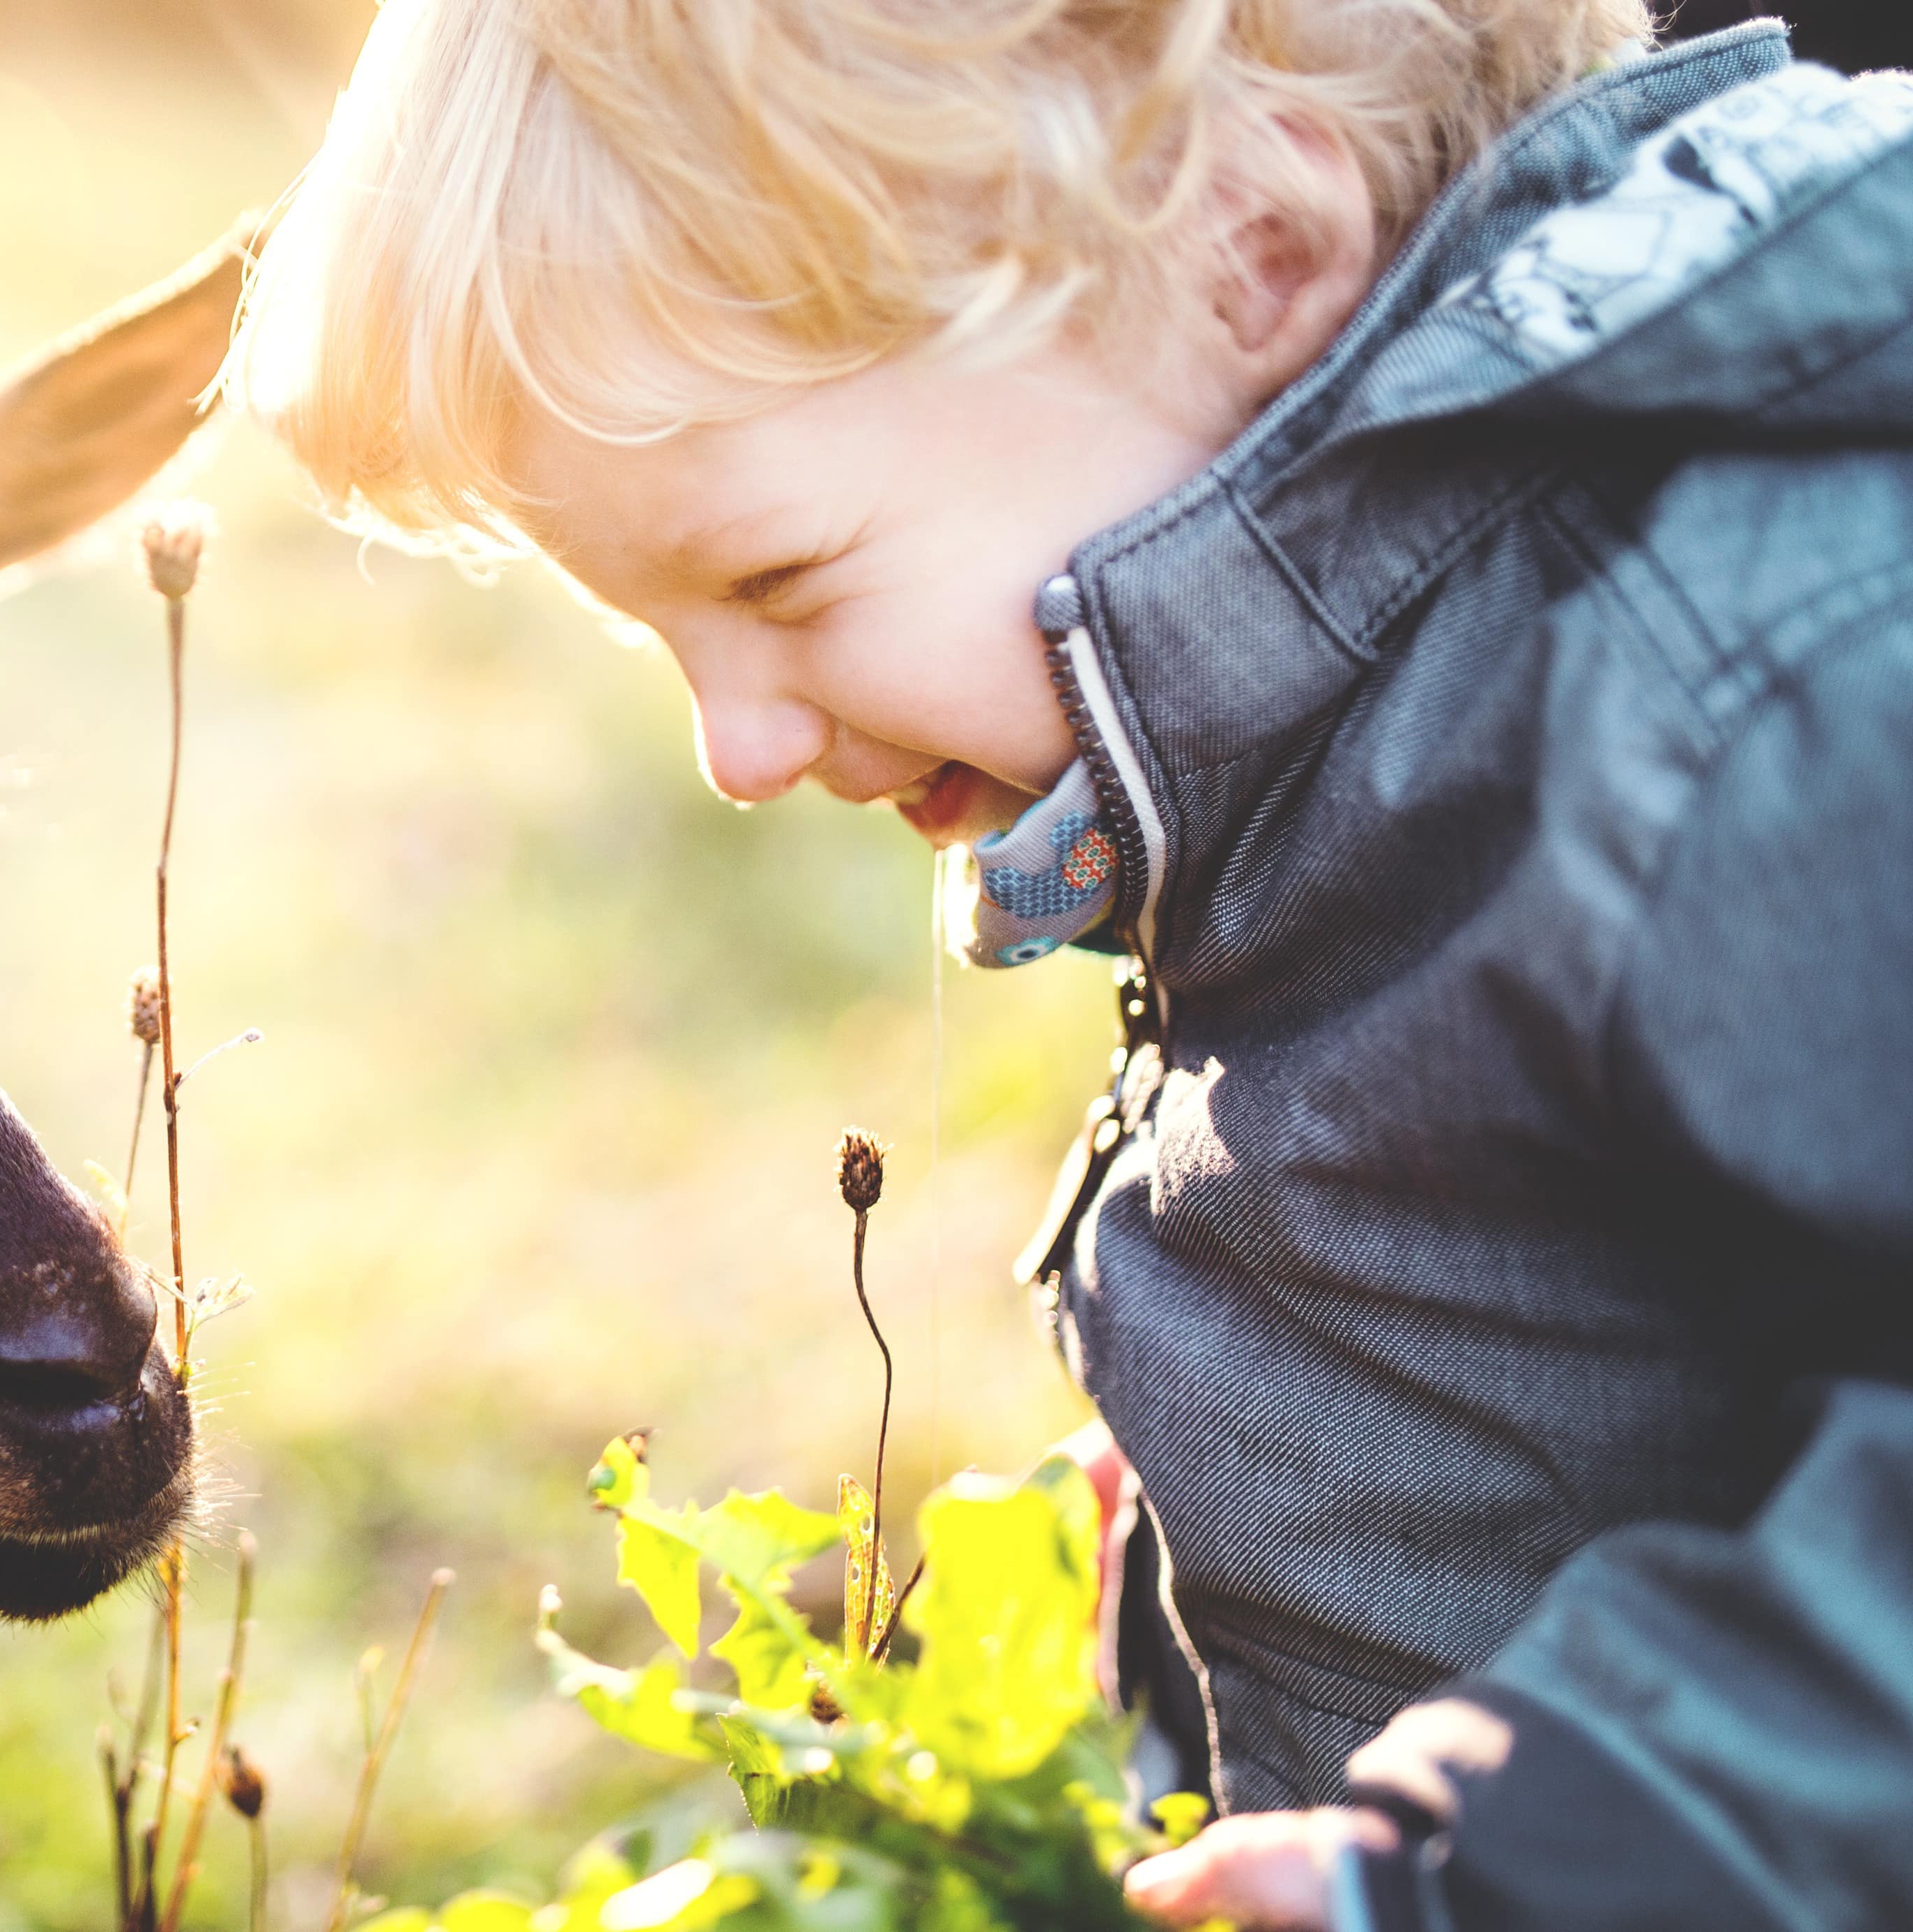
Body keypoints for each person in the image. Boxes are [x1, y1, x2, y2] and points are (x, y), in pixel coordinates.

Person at [229, 3, 1913, 1927]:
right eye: (664, 637)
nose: (739, 750)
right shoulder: (1359, 717)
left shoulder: (1754, 682)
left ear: (1249, 254)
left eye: (780, 581)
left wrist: (1485, 1867)